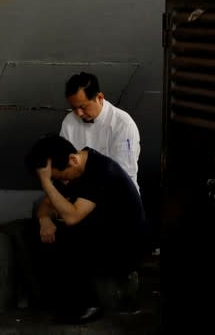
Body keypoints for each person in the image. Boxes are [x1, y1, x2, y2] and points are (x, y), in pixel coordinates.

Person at [25, 134, 150, 324]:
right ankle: (53, 300)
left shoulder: (101, 171)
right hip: (101, 234)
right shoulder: (74, 167)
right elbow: (47, 204)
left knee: (70, 231)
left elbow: (72, 217)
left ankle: (88, 305)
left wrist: (46, 183)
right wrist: (44, 220)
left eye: (61, 178)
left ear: (73, 160)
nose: (63, 183)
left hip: (126, 246)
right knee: (38, 229)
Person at [61, 72, 141, 192]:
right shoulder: (69, 121)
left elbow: (123, 175)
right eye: (74, 108)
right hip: (81, 191)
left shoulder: (123, 124)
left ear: (100, 98)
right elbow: (64, 165)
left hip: (119, 195)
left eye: (83, 107)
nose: (79, 114)